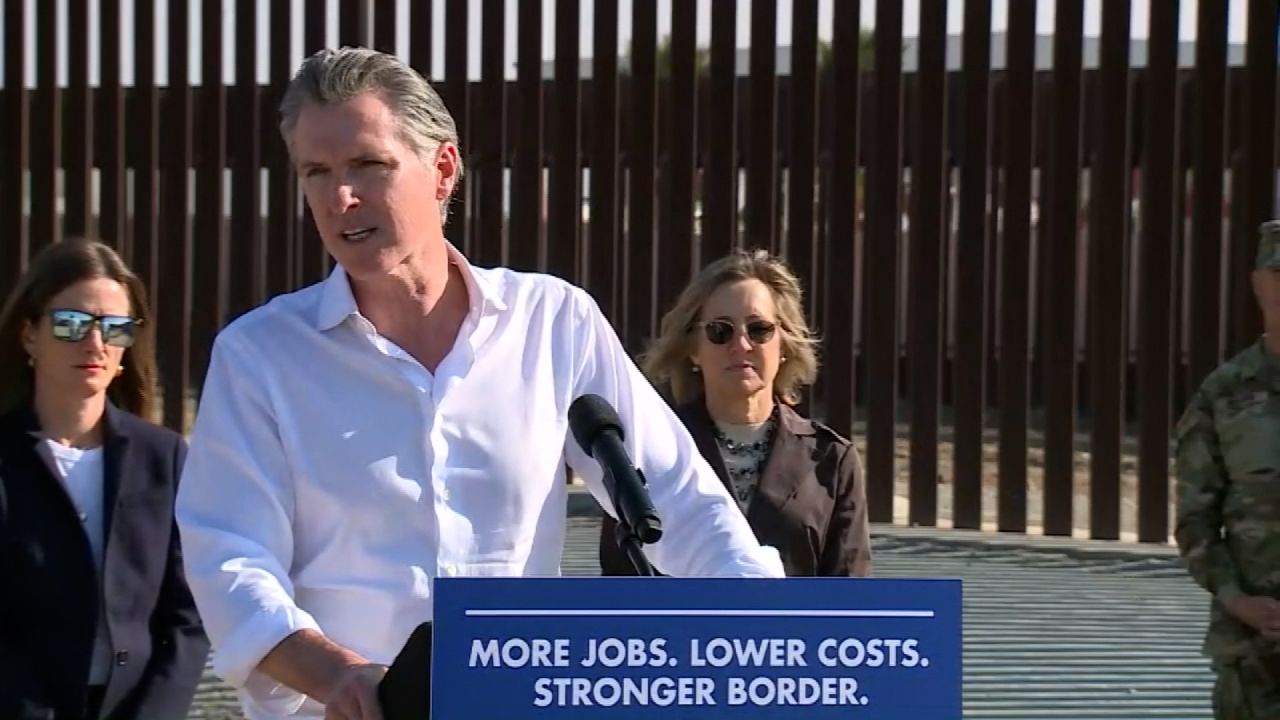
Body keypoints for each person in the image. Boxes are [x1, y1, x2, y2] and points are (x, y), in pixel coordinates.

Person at [175, 46, 784, 720]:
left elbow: (678, 499)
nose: (340, 197)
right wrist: (339, 675)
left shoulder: (554, 321)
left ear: (441, 170)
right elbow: (230, 560)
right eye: (315, 172)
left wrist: (773, 627)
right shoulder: (259, 356)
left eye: (367, 165)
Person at [0, 239, 209, 720]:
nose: (95, 344)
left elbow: (188, 618)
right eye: (72, 325)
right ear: (30, 335)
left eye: (114, 328)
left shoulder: (164, 457)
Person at [598, 249, 872, 577]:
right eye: (720, 331)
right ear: (693, 349)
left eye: (758, 329)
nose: (741, 345)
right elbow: (619, 587)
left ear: (784, 345)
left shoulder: (832, 460)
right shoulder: (649, 450)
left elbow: (853, 599)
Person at [1176, 219, 1280, 718]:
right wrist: (1239, 600)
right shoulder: (1224, 395)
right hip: (1252, 652)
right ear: (1259, 285)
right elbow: (1195, 520)